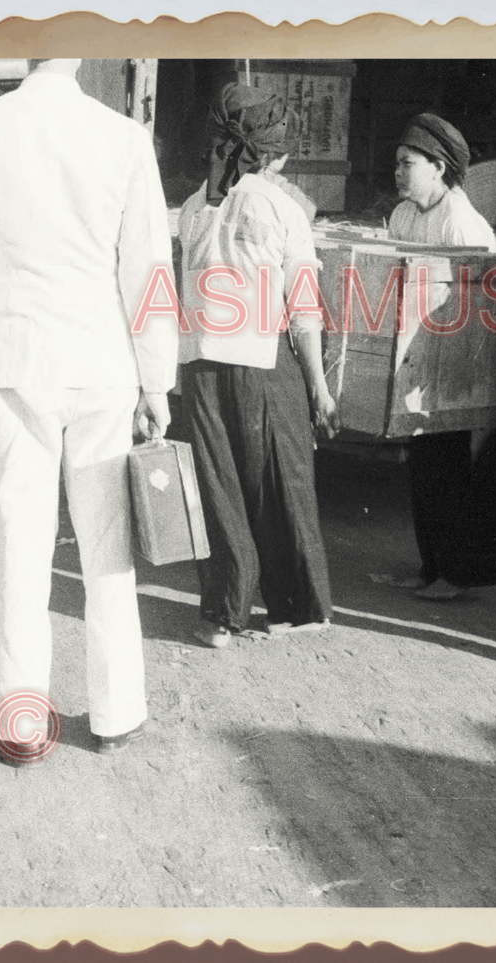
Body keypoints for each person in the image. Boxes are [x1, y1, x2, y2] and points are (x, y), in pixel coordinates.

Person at [0, 59, 177, 758]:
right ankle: (116, 711)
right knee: (106, 540)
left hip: (18, 357)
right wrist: (156, 379)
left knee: (17, 539)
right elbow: (148, 267)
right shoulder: (123, 135)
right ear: (81, 54)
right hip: (102, 360)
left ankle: (17, 724)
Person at [176, 83, 337, 649]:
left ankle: (224, 616)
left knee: (217, 485)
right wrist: (319, 386)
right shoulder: (281, 206)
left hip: (198, 362)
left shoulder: (196, 205)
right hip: (263, 362)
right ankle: (296, 607)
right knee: (278, 479)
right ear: (275, 155)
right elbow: (305, 306)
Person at [387, 112, 496, 602]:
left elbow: (483, 303)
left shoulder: (462, 221)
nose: (398, 172)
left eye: (408, 163)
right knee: (426, 468)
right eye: (397, 163)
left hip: (463, 363)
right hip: (421, 360)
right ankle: (429, 567)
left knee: (455, 470)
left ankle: (456, 575)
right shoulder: (403, 215)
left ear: (439, 167)